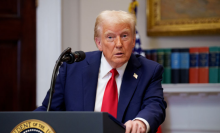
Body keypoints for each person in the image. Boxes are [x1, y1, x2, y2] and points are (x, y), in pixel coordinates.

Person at [35, 10, 167, 133]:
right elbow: (49, 111)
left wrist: (140, 122)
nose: (119, 44)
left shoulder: (149, 71)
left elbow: (155, 105)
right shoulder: (72, 69)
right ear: (99, 43)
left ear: (133, 41)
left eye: (124, 36)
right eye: (110, 37)